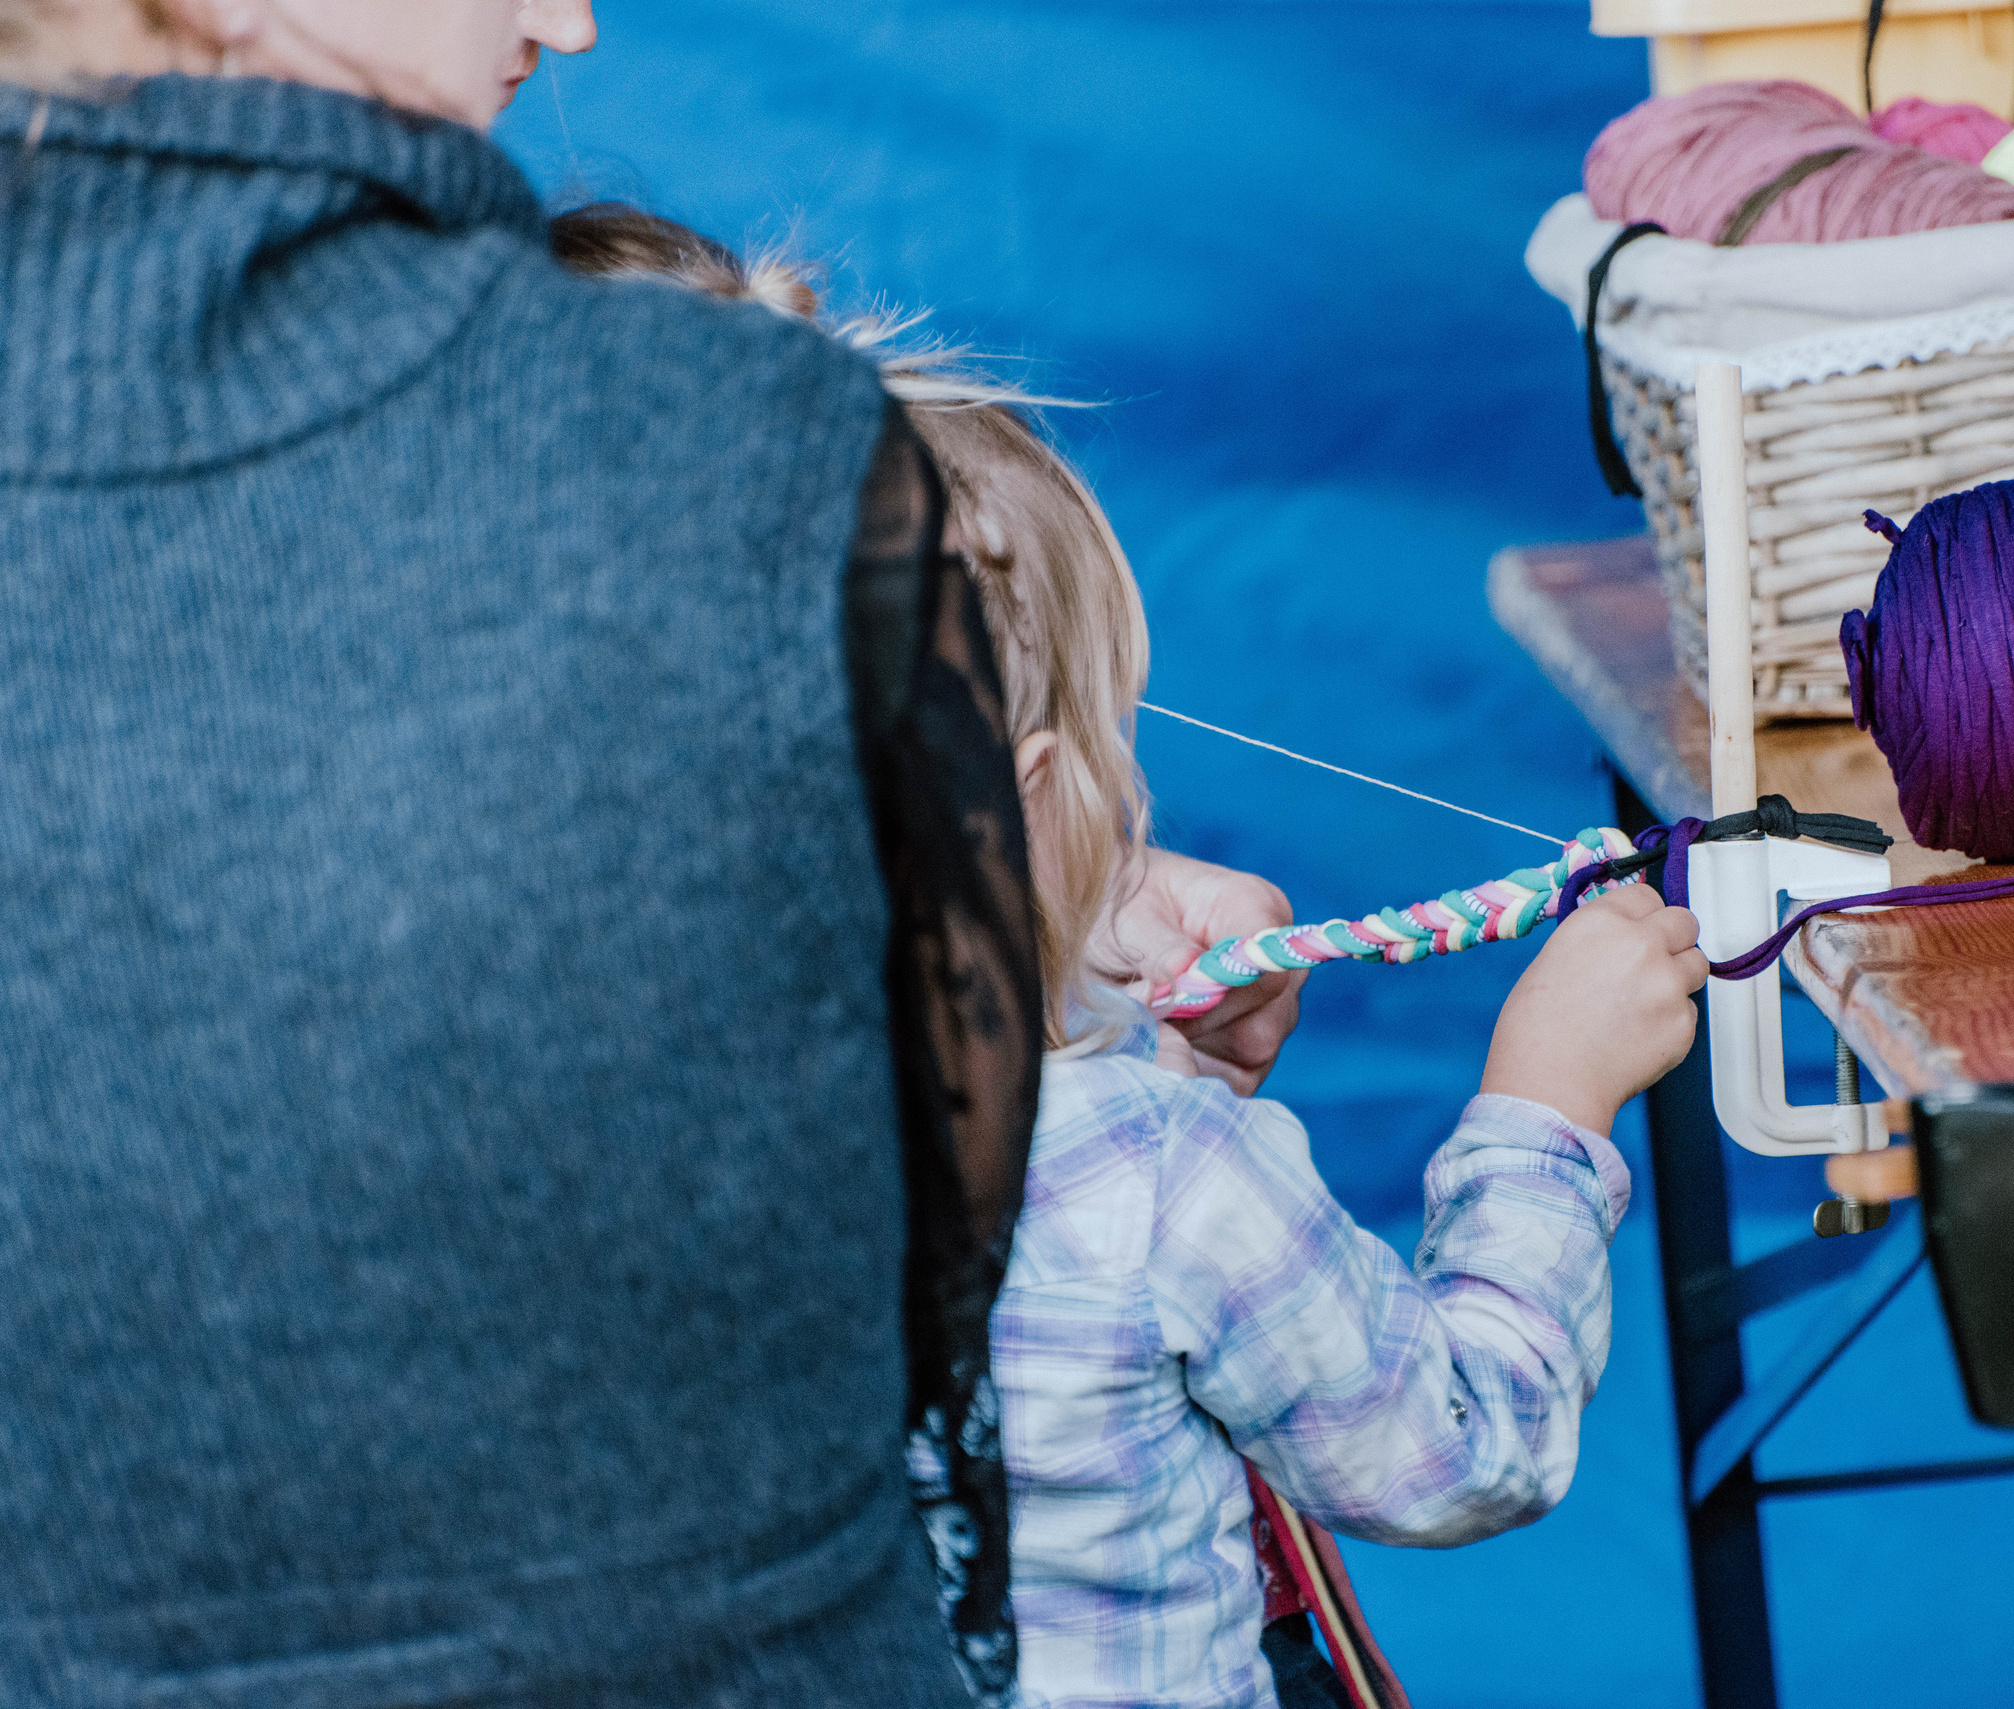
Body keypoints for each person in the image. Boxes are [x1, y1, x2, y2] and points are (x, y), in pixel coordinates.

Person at [0, 7, 1307, 1707]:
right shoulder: (746, 450)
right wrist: (1010, 925)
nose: (571, 15)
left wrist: (1079, 903)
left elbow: (285, 838)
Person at [541, 207, 1708, 1709]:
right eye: (1107, 761)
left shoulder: (554, 1157)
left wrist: (1083, 937)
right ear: (1018, 795)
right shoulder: (1143, 1169)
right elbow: (1461, 1445)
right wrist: (1548, 1105)